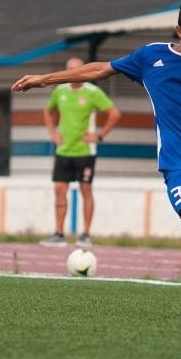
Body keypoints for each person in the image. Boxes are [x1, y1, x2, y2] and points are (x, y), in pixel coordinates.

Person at [11, 1, 181, 321]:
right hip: (179, 167)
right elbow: (98, 69)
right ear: (180, 31)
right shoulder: (150, 57)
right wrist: (45, 79)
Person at [40, 57, 121, 248]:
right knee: (60, 190)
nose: (74, 74)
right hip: (63, 150)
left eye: (77, 70)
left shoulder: (93, 92)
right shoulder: (59, 90)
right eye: (70, 70)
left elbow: (114, 114)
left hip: (85, 151)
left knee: (86, 190)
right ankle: (59, 233)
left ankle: (85, 234)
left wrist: (100, 136)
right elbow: (47, 111)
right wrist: (53, 133)